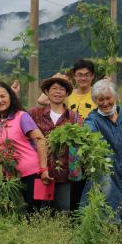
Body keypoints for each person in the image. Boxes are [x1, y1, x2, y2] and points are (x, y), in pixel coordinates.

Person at [81, 79, 122, 220]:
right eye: (100, 99)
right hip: (106, 173)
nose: (105, 103)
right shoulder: (92, 120)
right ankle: (110, 235)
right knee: (107, 207)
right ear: (95, 100)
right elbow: (89, 135)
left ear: (115, 97)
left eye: (108, 98)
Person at [0, 81, 52, 212]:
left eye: (3, 96)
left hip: (32, 174)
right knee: (7, 212)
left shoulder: (21, 116)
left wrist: (44, 169)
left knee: (33, 213)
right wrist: (2, 160)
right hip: (10, 177)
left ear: (10, 97)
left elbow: (40, 139)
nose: (0, 100)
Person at [28, 74, 83, 211]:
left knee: (63, 212)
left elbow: (80, 144)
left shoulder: (74, 117)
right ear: (46, 92)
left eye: (62, 89)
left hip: (64, 174)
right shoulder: (34, 114)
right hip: (39, 172)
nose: (58, 92)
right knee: (40, 213)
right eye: (54, 88)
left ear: (67, 93)